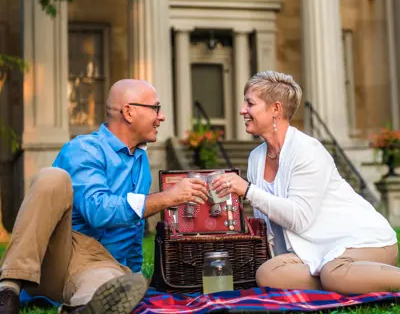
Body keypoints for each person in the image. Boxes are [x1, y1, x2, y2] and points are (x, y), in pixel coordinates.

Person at [0, 79, 208, 314]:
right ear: (129, 112)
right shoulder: (84, 150)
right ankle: (8, 289)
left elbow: (134, 230)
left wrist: (131, 271)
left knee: (111, 288)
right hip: (62, 252)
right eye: (156, 108)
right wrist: (166, 198)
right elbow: (98, 211)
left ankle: (79, 308)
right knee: (52, 178)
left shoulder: (140, 160)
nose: (161, 117)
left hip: (99, 265)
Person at [212, 70, 399, 294]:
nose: (243, 110)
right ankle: (351, 280)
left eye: (250, 103)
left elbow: (299, 218)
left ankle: (347, 277)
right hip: (313, 250)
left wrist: (248, 191)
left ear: (275, 109)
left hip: (363, 242)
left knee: (334, 272)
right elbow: (270, 230)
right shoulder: (256, 158)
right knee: (268, 274)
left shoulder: (307, 150)